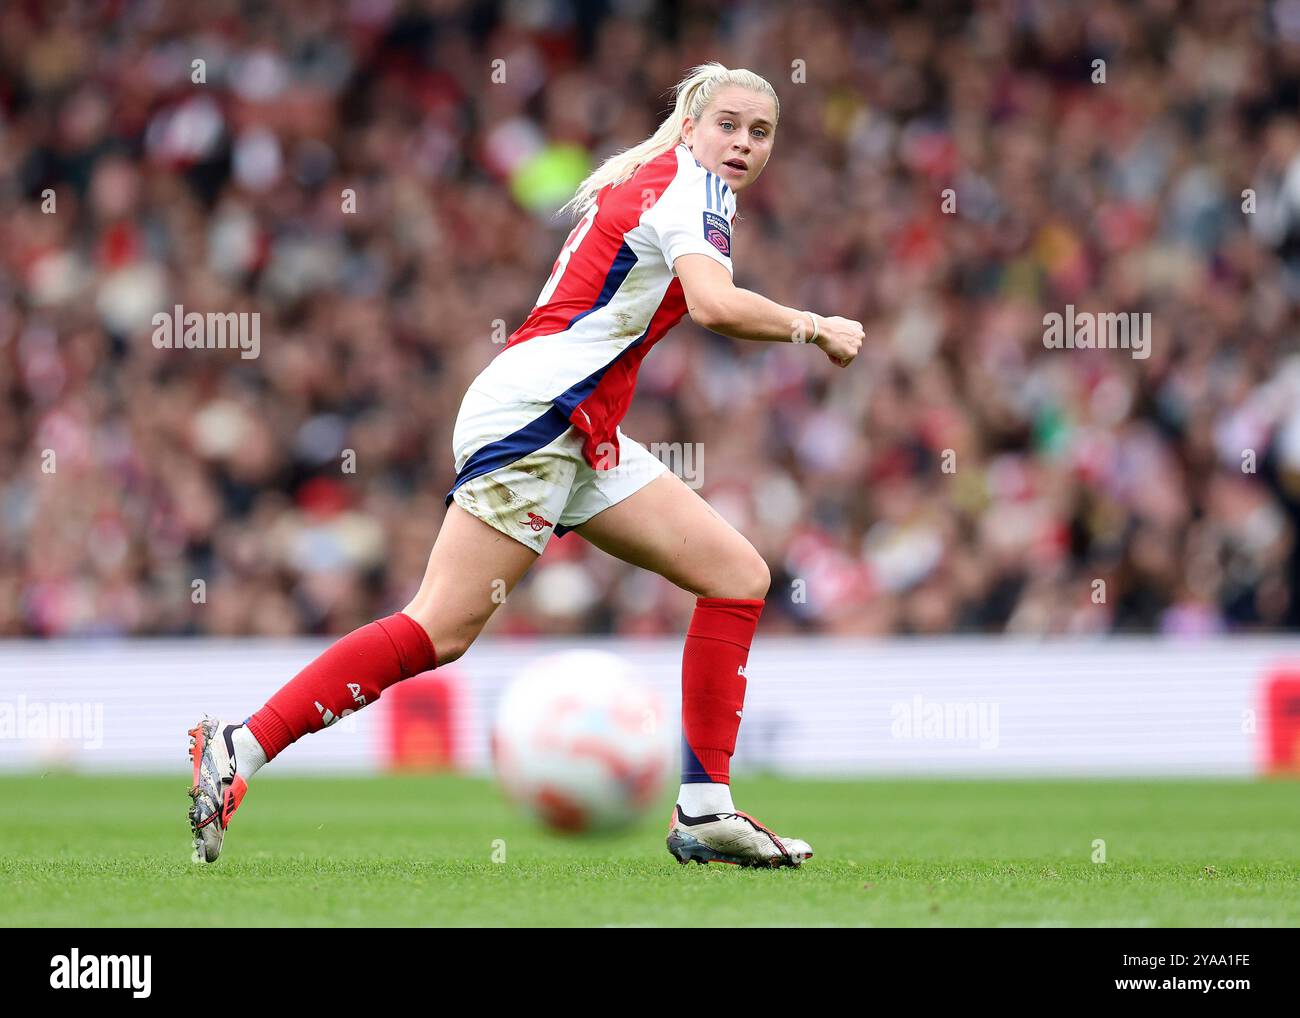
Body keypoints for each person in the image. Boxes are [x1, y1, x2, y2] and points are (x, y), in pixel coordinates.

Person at [187, 62, 864, 867]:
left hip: (577, 427)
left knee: (736, 575)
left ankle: (706, 808)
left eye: (761, 132)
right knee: (438, 628)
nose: (744, 143)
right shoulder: (694, 189)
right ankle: (240, 745)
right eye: (729, 125)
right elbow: (715, 304)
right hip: (540, 419)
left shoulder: (667, 177)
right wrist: (813, 325)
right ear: (691, 126)